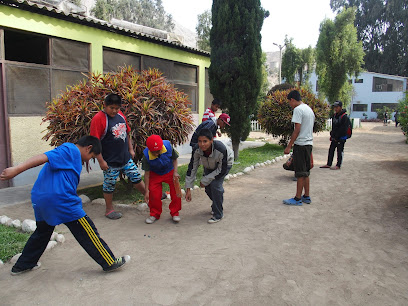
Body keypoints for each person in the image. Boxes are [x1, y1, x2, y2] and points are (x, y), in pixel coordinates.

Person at [0, 136, 130, 275]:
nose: (88, 160)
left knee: (42, 232)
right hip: (60, 200)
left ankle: (23, 265)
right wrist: (16, 169)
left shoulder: (71, 156)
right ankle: (109, 262)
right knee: (86, 230)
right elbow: (44, 157)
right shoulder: (70, 149)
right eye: (91, 156)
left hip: (41, 199)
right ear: (89, 147)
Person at [90, 93, 145, 220]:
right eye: (111, 108)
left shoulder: (121, 116)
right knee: (109, 185)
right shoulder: (98, 119)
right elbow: (94, 142)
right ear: (105, 105)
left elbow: (127, 132)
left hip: (125, 158)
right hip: (110, 161)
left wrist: (131, 149)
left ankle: (148, 198)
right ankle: (109, 209)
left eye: (117, 108)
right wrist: (101, 161)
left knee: (136, 177)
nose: (114, 111)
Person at [185, 129, 234, 223]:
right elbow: (192, 168)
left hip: (224, 164)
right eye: (200, 141)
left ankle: (218, 214)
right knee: (207, 187)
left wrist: (206, 179)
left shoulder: (220, 149)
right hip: (209, 166)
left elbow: (221, 170)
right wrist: (188, 189)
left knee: (215, 186)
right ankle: (217, 202)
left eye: (205, 141)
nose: (202, 144)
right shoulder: (196, 149)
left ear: (211, 140)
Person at [283, 90, 315, 206]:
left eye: (289, 103)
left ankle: (297, 198)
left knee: (300, 172)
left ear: (292, 100)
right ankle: (306, 196)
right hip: (308, 144)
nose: (290, 105)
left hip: (301, 145)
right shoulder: (308, 109)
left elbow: (297, 129)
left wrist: (289, 145)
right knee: (306, 172)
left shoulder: (298, 110)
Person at [142, 135, 181, 224]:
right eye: (154, 152)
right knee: (154, 194)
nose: (156, 154)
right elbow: (147, 174)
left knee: (176, 190)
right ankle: (154, 214)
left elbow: (174, 159)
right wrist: (146, 190)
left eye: (158, 151)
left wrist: (175, 172)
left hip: (169, 171)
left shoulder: (168, 146)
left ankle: (175, 212)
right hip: (155, 174)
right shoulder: (146, 156)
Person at [320, 101, 349, 170]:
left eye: (337, 107)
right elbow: (333, 127)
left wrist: (337, 136)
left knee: (340, 151)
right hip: (334, 137)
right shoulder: (334, 116)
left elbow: (343, 129)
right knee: (331, 150)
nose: (335, 109)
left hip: (341, 138)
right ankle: (329, 164)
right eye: (334, 107)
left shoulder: (344, 117)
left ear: (341, 107)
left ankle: (338, 165)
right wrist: (332, 135)